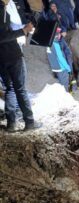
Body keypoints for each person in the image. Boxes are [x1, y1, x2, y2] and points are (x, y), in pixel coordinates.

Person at [0, 0, 41, 131]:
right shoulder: (1, 7)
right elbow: (2, 36)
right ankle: (29, 122)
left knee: (10, 88)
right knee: (20, 89)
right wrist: (24, 30)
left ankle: (11, 124)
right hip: (12, 54)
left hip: (1, 59)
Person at [47, 27, 73, 92]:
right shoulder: (55, 44)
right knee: (64, 84)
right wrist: (68, 67)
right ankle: (66, 96)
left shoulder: (49, 43)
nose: (60, 35)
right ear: (56, 35)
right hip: (61, 67)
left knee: (61, 82)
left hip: (55, 67)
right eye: (59, 34)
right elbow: (61, 58)